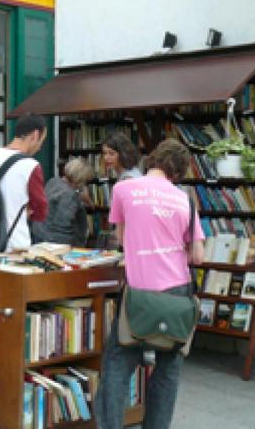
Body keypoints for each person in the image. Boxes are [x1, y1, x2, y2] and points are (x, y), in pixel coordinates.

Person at [94, 139, 205, 429]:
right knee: (168, 370)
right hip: (176, 292)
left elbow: (120, 236)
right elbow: (198, 255)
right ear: (178, 172)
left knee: (118, 364)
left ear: (152, 160)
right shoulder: (185, 201)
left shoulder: (123, 189)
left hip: (140, 291)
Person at [0, 114, 49, 252]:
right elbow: (41, 211)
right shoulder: (31, 165)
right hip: (14, 243)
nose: (40, 147)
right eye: (42, 140)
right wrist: (28, 210)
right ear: (35, 135)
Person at [41, 158, 93, 246]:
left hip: (41, 236)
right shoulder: (70, 195)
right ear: (80, 179)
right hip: (58, 245)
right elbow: (62, 226)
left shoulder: (53, 182)